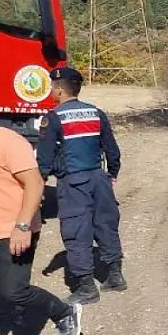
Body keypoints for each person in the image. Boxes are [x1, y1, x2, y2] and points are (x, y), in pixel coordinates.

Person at [0, 93, 82, 335]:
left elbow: (34, 184)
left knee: (12, 292)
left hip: (13, 231)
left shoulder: (9, 142)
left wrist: (22, 225)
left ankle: (64, 313)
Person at [37, 67, 124, 305]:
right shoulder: (96, 113)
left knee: (76, 232)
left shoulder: (53, 117)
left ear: (59, 89)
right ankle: (115, 276)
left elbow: (44, 159)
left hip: (73, 181)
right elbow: (112, 150)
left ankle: (87, 288)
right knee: (106, 225)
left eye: (53, 88)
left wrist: (38, 187)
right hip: (99, 178)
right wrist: (112, 174)